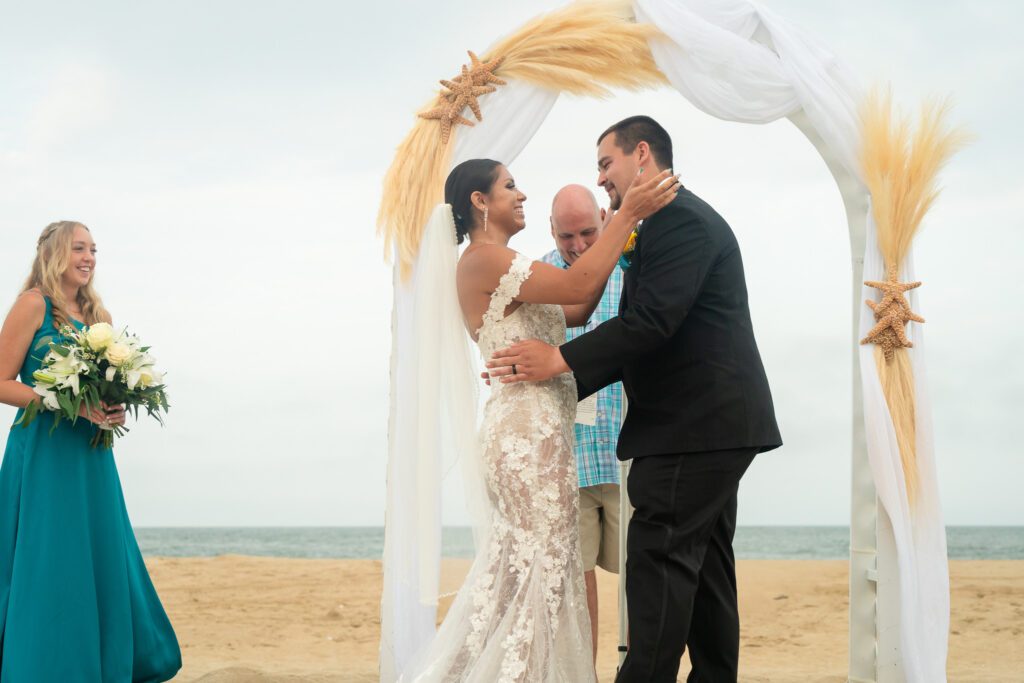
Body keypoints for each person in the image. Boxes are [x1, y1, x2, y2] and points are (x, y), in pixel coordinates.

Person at [486, 116, 782, 682]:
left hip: (693, 430)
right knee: (707, 570)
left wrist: (560, 358)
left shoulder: (678, 223)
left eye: (605, 163)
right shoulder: (665, 223)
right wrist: (551, 382)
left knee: (659, 567)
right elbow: (643, 334)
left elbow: (650, 323)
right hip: (714, 429)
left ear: (641, 154)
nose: (601, 180)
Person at [397, 159, 678, 681]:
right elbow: (577, 288)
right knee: (537, 570)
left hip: (545, 429)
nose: (520, 194)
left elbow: (578, 305)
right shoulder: (480, 260)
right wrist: (626, 213)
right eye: (509, 186)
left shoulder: (506, 260)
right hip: (525, 434)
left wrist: (617, 229)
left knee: (535, 570)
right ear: (480, 202)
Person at [0, 221, 182, 682]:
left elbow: (103, 388)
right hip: (43, 451)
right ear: (56, 253)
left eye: (94, 250)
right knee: (49, 556)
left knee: (98, 552)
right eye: (80, 248)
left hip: (91, 452)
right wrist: (60, 401)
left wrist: (114, 407)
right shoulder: (32, 305)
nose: (89, 258)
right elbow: (1, 383)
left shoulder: (98, 316)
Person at [541, 185, 624, 662]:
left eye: (588, 232)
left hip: (623, 452)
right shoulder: (540, 273)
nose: (578, 245)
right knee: (576, 580)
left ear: (603, 215)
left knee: (642, 573)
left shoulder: (630, 263)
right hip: (568, 457)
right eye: (567, 235)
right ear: (552, 230)